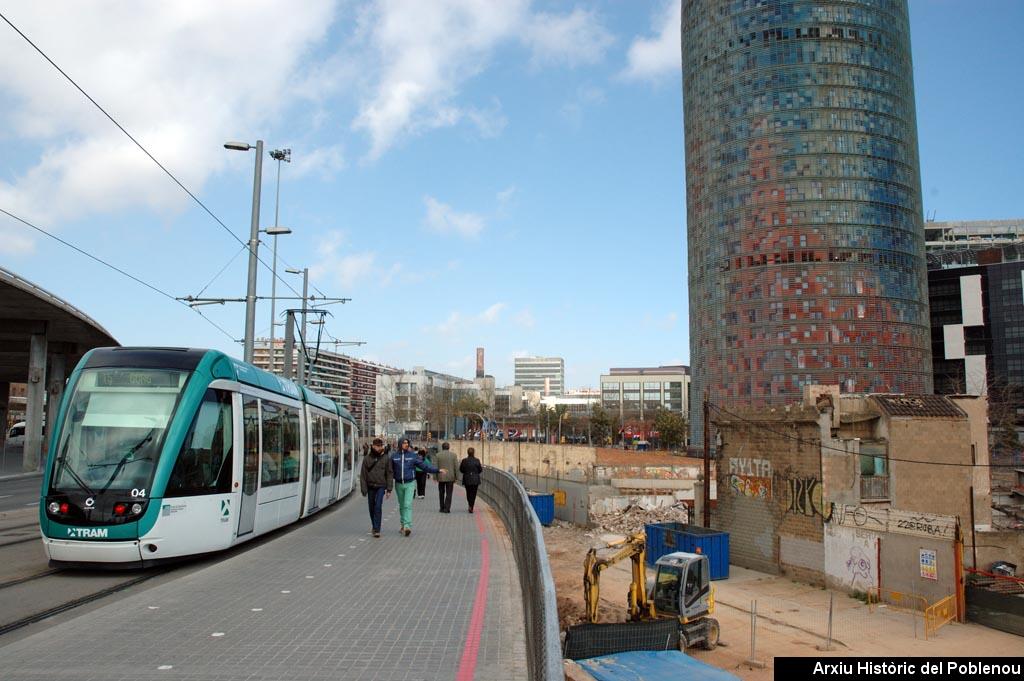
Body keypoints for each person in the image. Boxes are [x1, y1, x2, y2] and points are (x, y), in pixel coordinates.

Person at [390, 438, 444, 536]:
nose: (406, 444)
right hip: (398, 484)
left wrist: (437, 470)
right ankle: (402, 523)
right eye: (404, 443)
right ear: (400, 444)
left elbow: (425, 466)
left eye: (407, 443)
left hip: (410, 483)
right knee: (402, 505)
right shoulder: (394, 456)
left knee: (407, 504)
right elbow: (389, 471)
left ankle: (407, 526)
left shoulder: (412, 456)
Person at [359, 438, 393, 538]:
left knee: (378, 506)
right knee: (371, 507)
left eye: (380, 446)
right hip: (370, 486)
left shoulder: (386, 458)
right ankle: (374, 526)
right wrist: (363, 489)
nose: (379, 448)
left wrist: (389, 489)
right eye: (377, 446)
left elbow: (389, 473)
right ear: (373, 446)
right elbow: (363, 475)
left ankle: (377, 529)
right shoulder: (367, 459)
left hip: (381, 486)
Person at [434, 442, 459, 513]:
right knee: (449, 493)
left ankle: (441, 507)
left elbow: (435, 466)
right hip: (450, 477)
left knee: (441, 493)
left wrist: (435, 477)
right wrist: (457, 477)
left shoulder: (438, 455)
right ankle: (447, 508)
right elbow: (456, 467)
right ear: (449, 447)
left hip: (441, 476)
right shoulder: (453, 455)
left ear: (442, 447)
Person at [459, 447, 483, 514]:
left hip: (467, 479)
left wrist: (466, 472)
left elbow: (461, 469)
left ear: (468, 453)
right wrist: (475, 473)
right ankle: (471, 506)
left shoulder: (464, 461)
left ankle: (470, 504)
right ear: (473, 453)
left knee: (468, 492)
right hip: (475, 479)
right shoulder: (477, 460)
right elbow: (480, 470)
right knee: (474, 493)